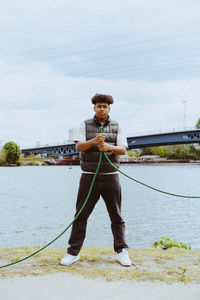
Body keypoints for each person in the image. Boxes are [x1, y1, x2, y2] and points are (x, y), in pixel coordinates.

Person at [61, 94, 132, 267]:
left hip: (111, 177)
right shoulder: (84, 125)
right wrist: (94, 141)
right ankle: (73, 252)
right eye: (99, 106)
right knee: (81, 215)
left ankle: (122, 251)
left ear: (109, 108)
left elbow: (122, 149)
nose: (102, 109)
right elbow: (79, 146)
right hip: (89, 177)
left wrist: (108, 147)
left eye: (105, 106)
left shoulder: (118, 126)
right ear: (94, 107)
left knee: (116, 216)